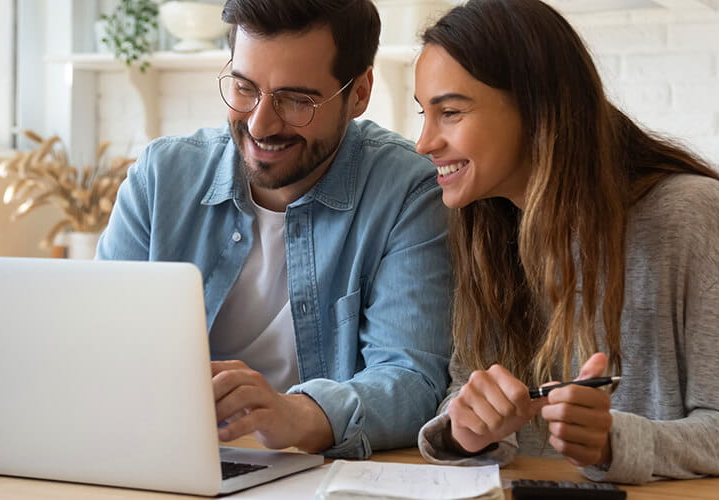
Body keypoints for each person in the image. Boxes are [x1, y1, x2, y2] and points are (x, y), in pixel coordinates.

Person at [413, 0, 719, 484]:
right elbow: (466, 390)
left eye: (450, 112)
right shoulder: (487, 225)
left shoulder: (690, 214)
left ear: (536, 107)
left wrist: (611, 443)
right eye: (424, 114)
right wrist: (467, 429)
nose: (424, 142)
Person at [97, 0, 452, 459]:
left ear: (359, 92)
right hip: (164, 458)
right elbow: (98, 344)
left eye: (296, 100)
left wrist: (296, 414)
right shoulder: (162, 176)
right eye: (245, 89)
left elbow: (413, 379)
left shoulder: (407, 191)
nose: (260, 124)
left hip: (317, 473)